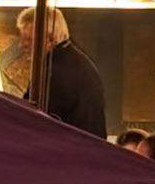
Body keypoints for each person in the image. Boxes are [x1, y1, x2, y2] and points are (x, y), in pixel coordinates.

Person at [24, 11, 108, 139]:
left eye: (28, 39)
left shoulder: (55, 73)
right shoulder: (74, 60)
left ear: (49, 39)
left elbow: (34, 124)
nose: (21, 45)